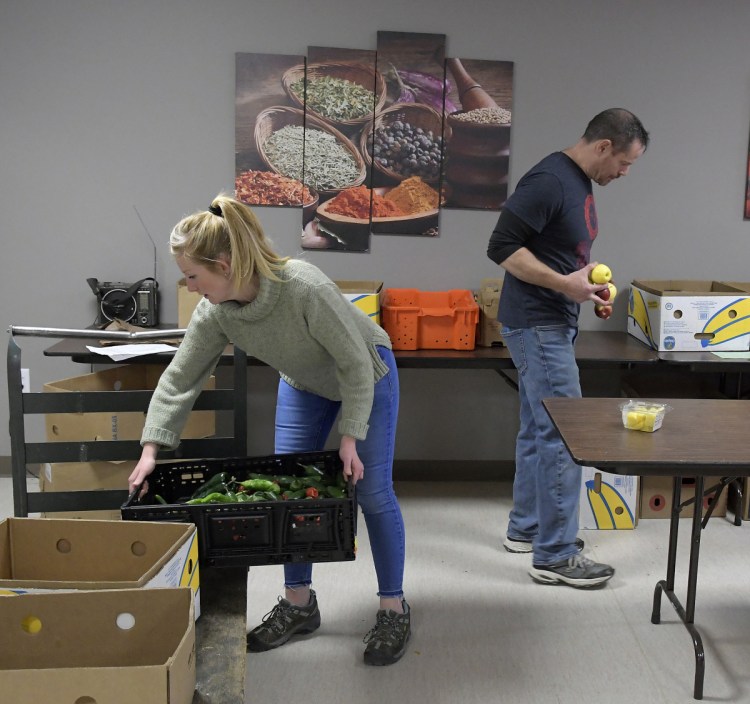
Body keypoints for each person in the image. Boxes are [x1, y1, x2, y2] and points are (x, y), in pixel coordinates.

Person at [128, 194, 410, 665]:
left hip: (366, 372)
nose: (190, 286)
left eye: (193, 276)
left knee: (373, 492)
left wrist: (349, 436)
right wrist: (151, 448)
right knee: (287, 494)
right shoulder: (216, 310)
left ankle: (393, 606)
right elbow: (181, 377)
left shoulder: (303, 286)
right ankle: (300, 603)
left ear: (223, 264)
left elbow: (354, 363)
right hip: (304, 382)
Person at [486, 108, 649, 588]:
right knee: (563, 433)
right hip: (537, 325)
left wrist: (586, 288)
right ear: (603, 146)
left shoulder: (578, 183)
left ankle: (527, 529)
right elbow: (501, 246)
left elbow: (558, 252)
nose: (624, 173)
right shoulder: (551, 181)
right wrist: (564, 285)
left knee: (539, 430)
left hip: (547, 320)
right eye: (625, 163)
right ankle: (555, 556)